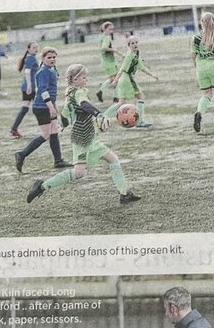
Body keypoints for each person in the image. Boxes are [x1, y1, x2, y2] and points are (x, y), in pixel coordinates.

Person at [26, 63, 138, 206]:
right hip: (82, 138)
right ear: (75, 79)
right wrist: (98, 115)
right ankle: (41, 186)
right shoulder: (78, 92)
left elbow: (65, 114)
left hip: (88, 135)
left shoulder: (70, 92)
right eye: (84, 77)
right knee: (79, 173)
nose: (86, 80)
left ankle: (125, 194)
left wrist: (64, 125)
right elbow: (84, 104)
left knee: (113, 159)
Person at [14, 47, 71, 171]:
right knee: (46, 135)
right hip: (42, 107)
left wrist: (53, 106)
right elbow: (43, 91)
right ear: (43, 59)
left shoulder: (51, 70)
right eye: (49, 57)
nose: (52, 59)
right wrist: (51, 107)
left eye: (54, 57)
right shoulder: (43, 71)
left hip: (49, 106)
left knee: (55, 130)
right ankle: (21, 154)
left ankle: (58, 160)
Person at [105, 35, 158, 128]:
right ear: (129, 46)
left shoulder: (136, 54)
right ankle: (140, 121)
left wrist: (152, 75)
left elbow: (141, 67)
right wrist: (115, 81)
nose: (135, 44)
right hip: (127, 80)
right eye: (132, 43)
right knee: (141, 97)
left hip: (127, 80)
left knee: (121, 102)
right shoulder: (129, 55)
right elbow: (122, 69)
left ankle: (104, 116)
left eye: (136, 42)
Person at [10, 42, 39, 138]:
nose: (36, 49)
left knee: (26, 108)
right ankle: (49, 127)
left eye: (37, 47)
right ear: (29, 49)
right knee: (42, 106)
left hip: (27, 86)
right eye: (34, 47)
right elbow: (27, 72)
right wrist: (30, 85)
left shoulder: (30, 58)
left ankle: (14, 128)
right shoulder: (30, 58)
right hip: (30, 87)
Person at [96, 21, 120, 103]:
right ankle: (115, 97)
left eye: (112, 29)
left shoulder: (102, 36)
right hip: (108, 61)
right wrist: (114, 50)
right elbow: (104, 48)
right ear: (104, 29)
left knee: (113, 79)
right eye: (110, 29)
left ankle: (102, 92)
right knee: (115, 79)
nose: (111, 31)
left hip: (107, 61)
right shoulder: (106, 37)